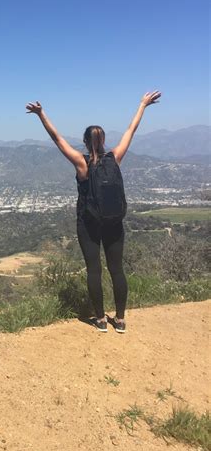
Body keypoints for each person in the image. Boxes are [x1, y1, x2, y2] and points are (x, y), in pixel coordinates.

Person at [26, 91, 161, 332]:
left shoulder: (81, 162)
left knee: (94, 270)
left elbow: (57, 138)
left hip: (89, 223)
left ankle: (100, 318)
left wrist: (40, 114)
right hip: (114, 223)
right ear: (104, 140)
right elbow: (132, 129)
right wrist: (142, 105)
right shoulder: (115, 157)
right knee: (117, 269)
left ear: (87, 142)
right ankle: (120, 319)